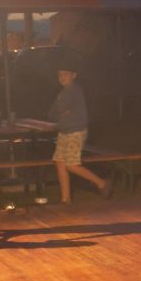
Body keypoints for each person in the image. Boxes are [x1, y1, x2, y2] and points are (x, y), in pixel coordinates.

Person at [48, 61, 111, 204]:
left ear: (74, 75)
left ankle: (101, 183)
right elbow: (51, 113)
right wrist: (60, 112)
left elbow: (59, 109)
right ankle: (65, 199)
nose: (62, 77)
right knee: (59, 162)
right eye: (60, 74)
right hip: (63, 131)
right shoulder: (63, 92)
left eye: (66, 74)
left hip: (75, 131)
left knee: (71, 165)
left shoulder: (74, 90)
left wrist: (61, 112)